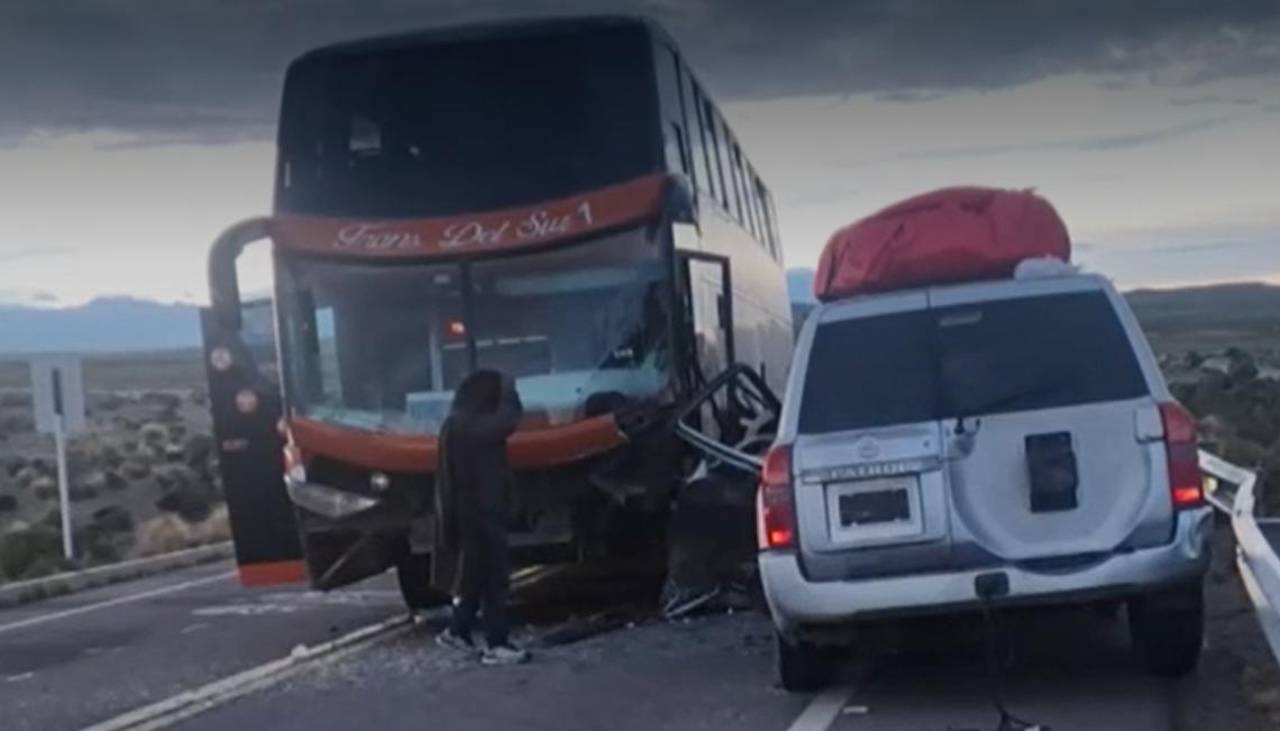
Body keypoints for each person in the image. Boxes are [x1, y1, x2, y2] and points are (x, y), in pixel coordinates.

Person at [431, 369, 529, 665]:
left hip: (473, 511)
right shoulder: (469, 424)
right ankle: (496, 644)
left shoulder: (458, 421)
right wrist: (511, 393)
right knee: (495, 579)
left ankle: (457, 631)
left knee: (475, 578)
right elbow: (506, 423)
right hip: (479, 512)